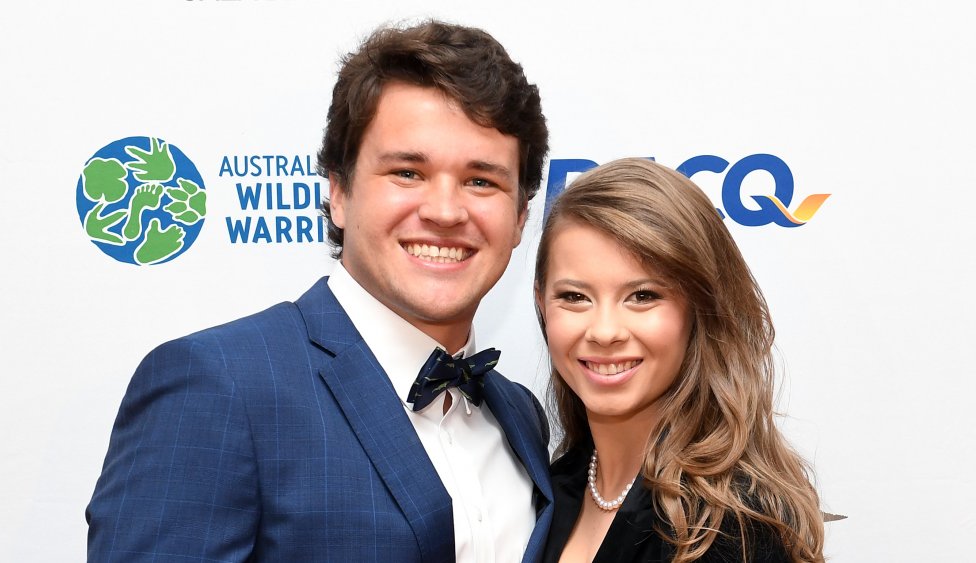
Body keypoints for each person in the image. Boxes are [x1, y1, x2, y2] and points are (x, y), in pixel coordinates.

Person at [87, 20, 553, 562]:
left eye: (481, 181)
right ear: (338, 191)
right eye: (407, 172)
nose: (445, 211)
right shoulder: (219, 386)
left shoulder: (519, 413)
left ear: (520, 217)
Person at [533, 158, 825, 562]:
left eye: (643, 296)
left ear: (699, 309)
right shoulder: (547, 490)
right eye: (574, 297)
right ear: (541, 302)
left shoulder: (734, 529)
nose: (604, 331)